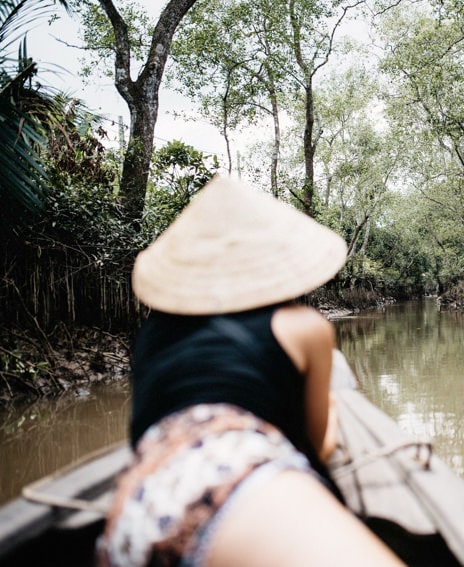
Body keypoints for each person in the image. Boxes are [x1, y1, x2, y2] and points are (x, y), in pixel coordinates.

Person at [98, 175, 403, 566]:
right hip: (230, 468)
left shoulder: (152, 334)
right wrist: (335, 411)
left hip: (135, 508)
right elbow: (316, 448)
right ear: (272, 262)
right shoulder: (304, 325)